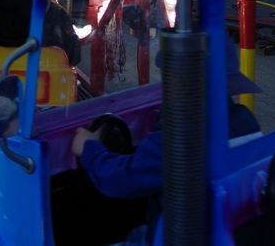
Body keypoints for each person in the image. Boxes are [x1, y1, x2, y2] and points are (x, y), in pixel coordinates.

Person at [72, 42, 261, 245]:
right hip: (221, 228)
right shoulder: (246, 121)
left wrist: (89, 148)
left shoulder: (178, 139)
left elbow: (120, 179)